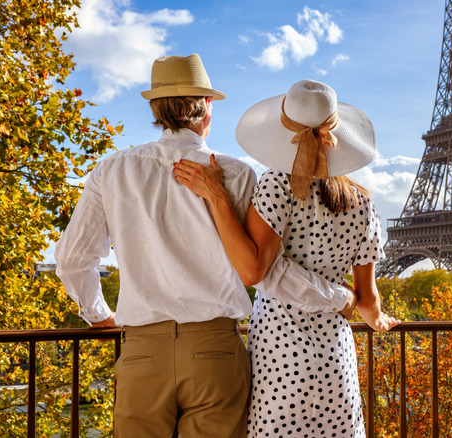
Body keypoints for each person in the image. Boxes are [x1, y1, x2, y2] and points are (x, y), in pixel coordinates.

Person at [55, 55, 356, 438]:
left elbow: (72, 259)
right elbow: (266, 272)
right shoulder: (235, 172)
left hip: (142, 351)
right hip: (216, 349)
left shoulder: (112, 170)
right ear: (207, 107)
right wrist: (339, 298)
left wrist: (99, 316)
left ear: (154, 109)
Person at [172, 79, 400, 437]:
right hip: (334, 358)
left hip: (278, 358)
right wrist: (379, 320)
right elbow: (367, 299)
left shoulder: (277, 183)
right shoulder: (364, 203)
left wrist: (216, 197)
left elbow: (254, 268)